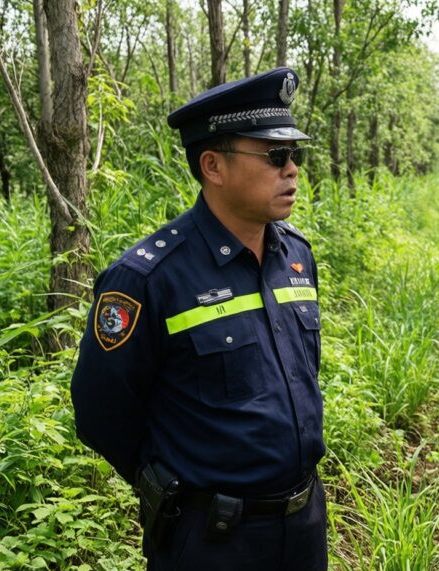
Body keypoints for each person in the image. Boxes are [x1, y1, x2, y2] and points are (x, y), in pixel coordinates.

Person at [71, 68, 327, 570]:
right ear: (213, 165)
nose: (292, 169)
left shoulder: (295, 256)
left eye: (295, 155)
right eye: (276, 156)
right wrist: (177, 484)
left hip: (304, 524)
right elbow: (102, 411)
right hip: (212, 538)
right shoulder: (147, 278)